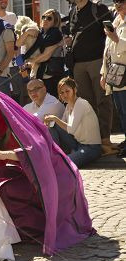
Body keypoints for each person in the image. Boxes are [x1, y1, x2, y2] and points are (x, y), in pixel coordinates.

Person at [0, 88, 95, 255]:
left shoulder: (17, 126)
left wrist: (2, 154)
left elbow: (37, 153)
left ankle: (32, 227)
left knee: (7, 187)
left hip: (56, 179)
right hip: (30, 175)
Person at [68, 0, 116, 154]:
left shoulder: (99, 8)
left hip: (97, 61)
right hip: (78, 64)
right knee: (86, 105)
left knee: (103, 100)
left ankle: (105, 139)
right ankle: (94, 140)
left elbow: (111, 33)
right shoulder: (72, 11)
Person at [45, 77, 102, 168]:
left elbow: (70, 129)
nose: (64, 95)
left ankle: (60, 158)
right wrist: (50, 121)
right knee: (52, 125)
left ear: (74, 90)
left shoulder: (81, 103)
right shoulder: (68, 106)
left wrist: (55, 118)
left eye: (67, 91)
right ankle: (53, 155)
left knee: (63, 165)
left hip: (91, 148)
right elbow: (61, 126)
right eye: (62, 92)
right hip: (77, 144)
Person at [101, 0, 126, 158]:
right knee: (122, 112)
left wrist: (116, 38)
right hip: (115, 75)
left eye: (122, 2)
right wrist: (103, 73)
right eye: (116, 2)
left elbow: (117, 42)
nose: (118, 5)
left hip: (124, 73)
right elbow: (107, 50)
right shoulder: (116, 21)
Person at [21, 10, 65, 98]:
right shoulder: (41, 33)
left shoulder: (55, 32)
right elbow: (24, 46)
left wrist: (30, 61)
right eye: (43, 17)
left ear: (55, 21)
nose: (45, 20)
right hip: (42, 73)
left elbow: (45, 56)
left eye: (49, 18)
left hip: (51, 74)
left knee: (51, 100)